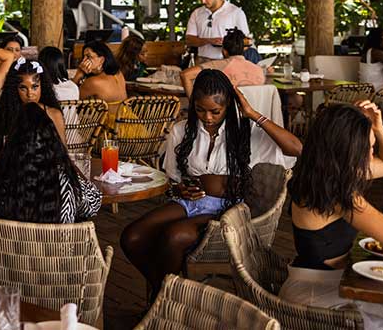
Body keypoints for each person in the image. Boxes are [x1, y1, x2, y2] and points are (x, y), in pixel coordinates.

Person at [120, 69, 302, 296]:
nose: (207, 117)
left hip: (229, 208)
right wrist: (179, 188)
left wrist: (252, 113)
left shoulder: (245, 132)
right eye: (200, 109)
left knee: (175, 235)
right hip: (190, 202)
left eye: (215, 111)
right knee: (131, 236)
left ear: (229, 105)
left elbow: (296, 148)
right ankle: (165, 292)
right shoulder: (182, 130)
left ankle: (164, 296)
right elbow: (173, 179)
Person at [282, 102, 383, 329]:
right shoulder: (335, 191)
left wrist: (379, 128)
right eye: (368, 148)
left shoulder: (325, 172)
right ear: (347, 150)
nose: (372, 155)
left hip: (337, 281)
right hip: (316, 295)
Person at [0, 103, 101, 223]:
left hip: (8, 236)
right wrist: (70, 166)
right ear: (51, 140)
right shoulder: (66, 182)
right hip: (59, 236)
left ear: (12, 142)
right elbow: (95, 203)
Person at [0, 58, 65, 154]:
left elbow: (63, 154)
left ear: (43, 86)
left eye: (35, 87)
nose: (30, 94)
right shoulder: (6, 115)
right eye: (23, 88)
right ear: (14, 89)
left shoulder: (54, 115)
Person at [179, 28, 265, 96]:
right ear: (244, 49)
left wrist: (193, 104)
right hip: (255, 111)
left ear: (224, 51)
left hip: (228, 112)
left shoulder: (218, 65)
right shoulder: (259, 70)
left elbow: (185, 75)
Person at [184, 0, 251, 61]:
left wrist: (227, 43)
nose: (203, 1)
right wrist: (208, 41)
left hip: (226, 61)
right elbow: (189, 40)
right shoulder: (197, 13)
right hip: (202, 60)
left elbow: (247, 41)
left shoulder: (235, 12)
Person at [73, 40, 128, 122]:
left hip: (109, 126)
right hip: (129, 120)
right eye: (83, 57)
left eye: (88, 57)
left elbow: (70, 99)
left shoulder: (93, 82)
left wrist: (79, 74)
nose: (83, 61)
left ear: (102, 60)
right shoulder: (118, 73)